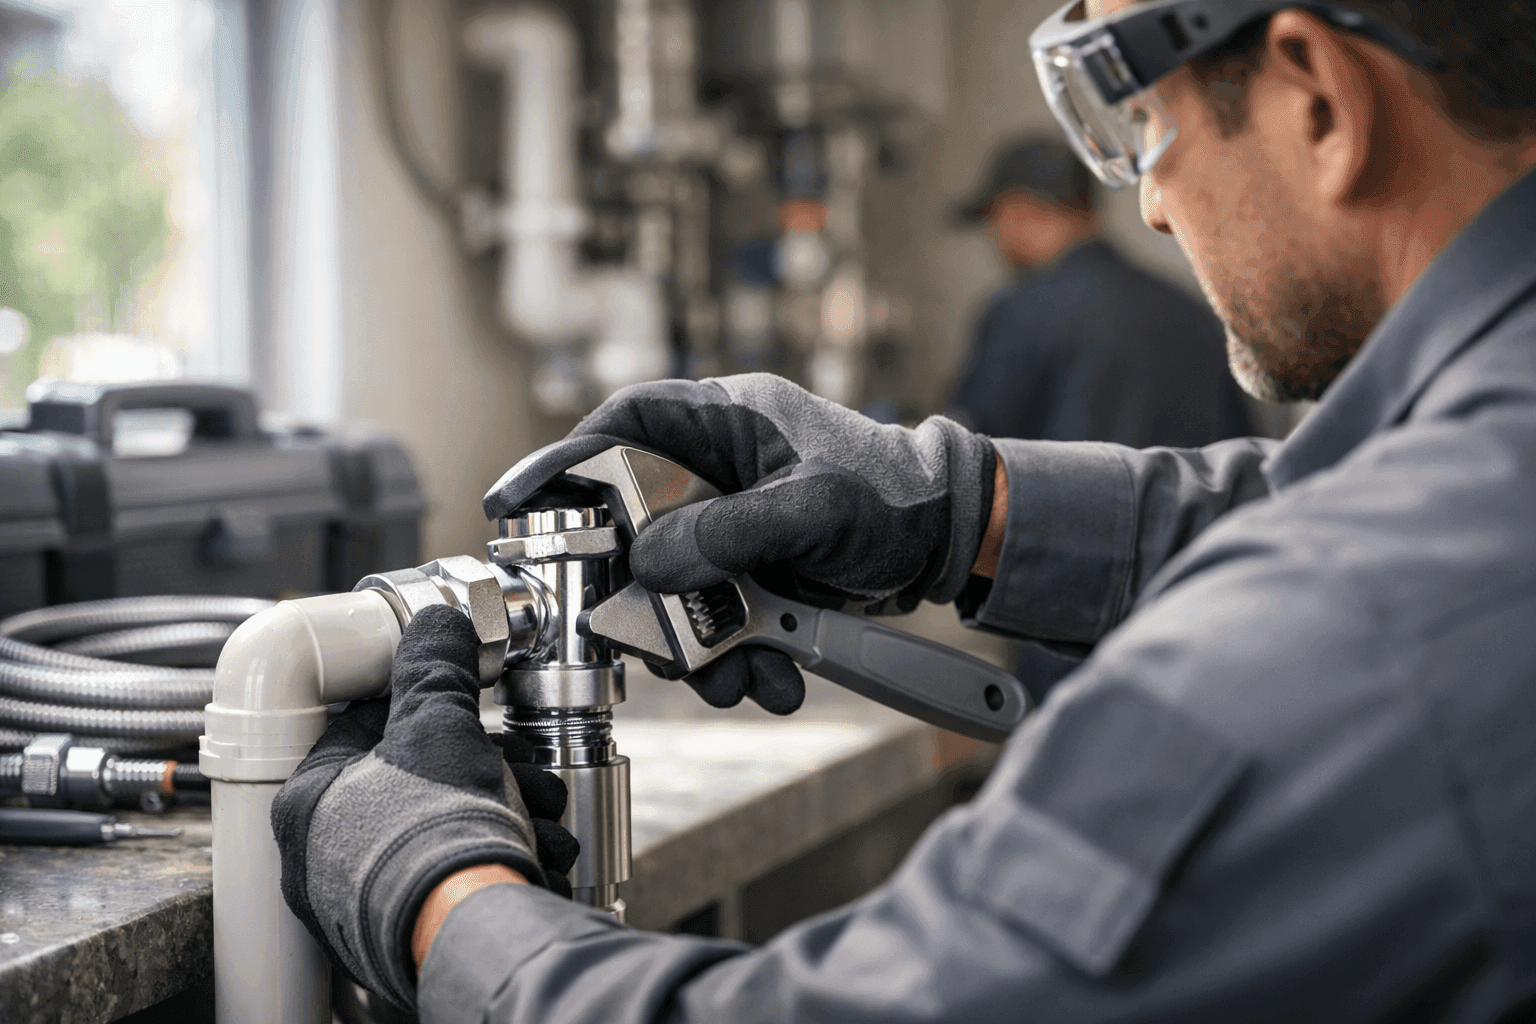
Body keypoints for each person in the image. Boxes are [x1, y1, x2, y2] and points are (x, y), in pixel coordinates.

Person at [272, 1, 1536, 1020]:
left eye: (1139, 124)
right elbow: (1316, 498)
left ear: (1317, 97)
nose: (1150, 201)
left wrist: (438, 889)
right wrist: (956, 508)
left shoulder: (1368, 621)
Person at [949, 136, 1254, 448]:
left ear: (1019, 213)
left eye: (993, 220)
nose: (994, 238)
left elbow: (969, 454)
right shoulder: (1193, 313)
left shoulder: (1019, 314)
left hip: (1065, 499)